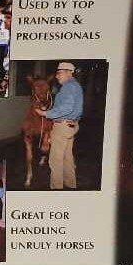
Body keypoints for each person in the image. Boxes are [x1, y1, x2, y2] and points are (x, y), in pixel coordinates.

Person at [39, 62, 84, 190]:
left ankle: (57, 189)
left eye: (59, 73)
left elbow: (66, 108)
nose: (56, 76)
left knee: (55, 161)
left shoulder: (68, 86)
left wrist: (45, 113)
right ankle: (71, 185)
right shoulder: (76, 86)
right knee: (67, 158)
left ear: (69, 72)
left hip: (62, 127)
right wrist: (75, 120)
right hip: (70, 125)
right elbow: (75, 108)